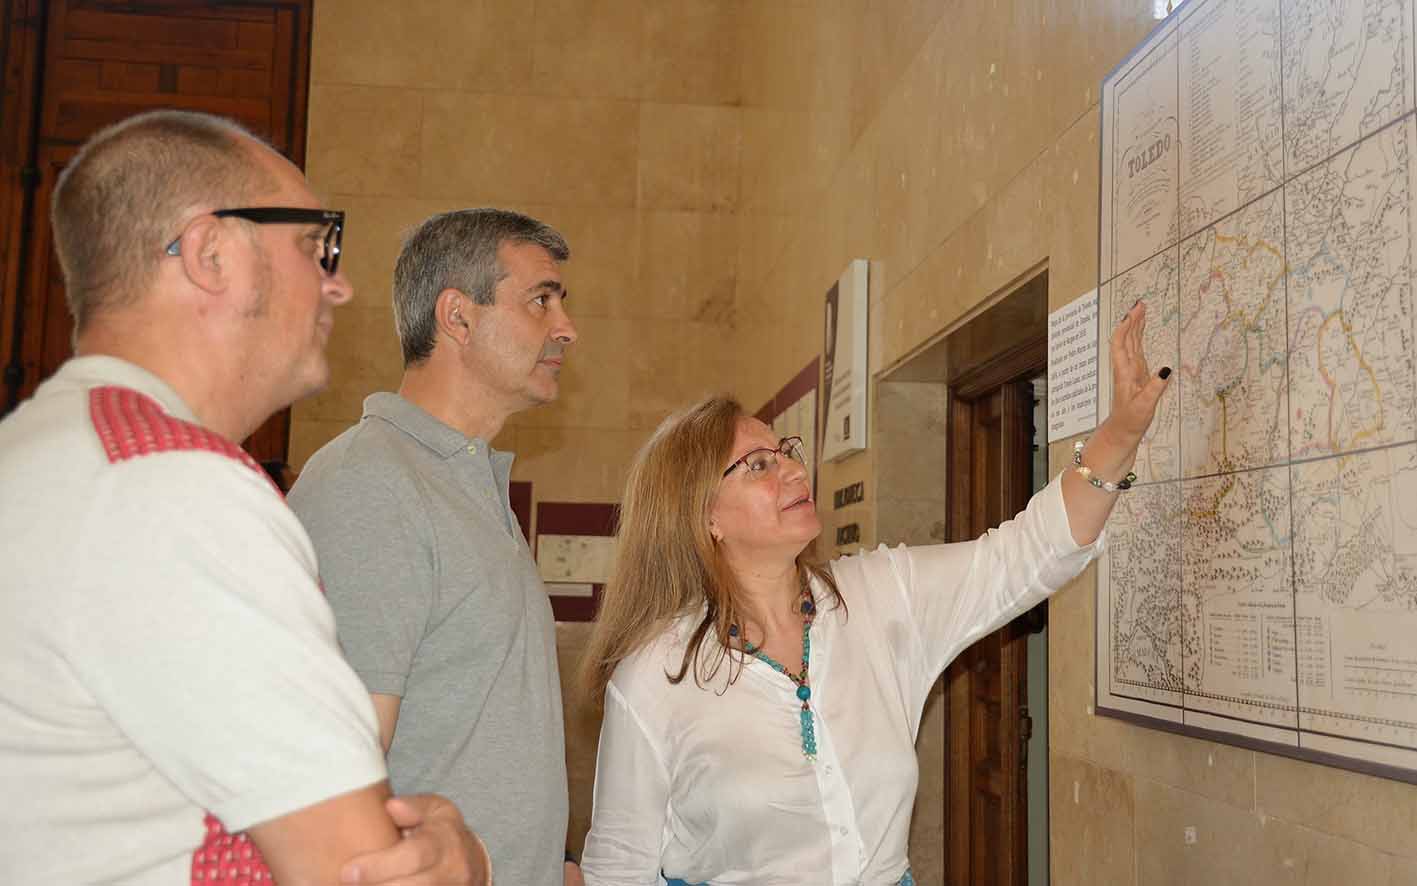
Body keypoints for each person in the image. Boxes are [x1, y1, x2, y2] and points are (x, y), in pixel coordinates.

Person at [0, 110, 489, 886]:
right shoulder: (173, 485)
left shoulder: (39, 453)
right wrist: (464, 863)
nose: (338, 283)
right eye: (313, 243)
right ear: (211, 251)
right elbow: (358, 872)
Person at [578, 304, 1172, 884]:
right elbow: (618, 868)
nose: (791, 470)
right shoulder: (656, 675)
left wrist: (1119, 434)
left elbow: (1021, 557)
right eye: (757, 466)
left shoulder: (880, 596)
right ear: (704, 516)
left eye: (786, 452)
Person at [288, 208, 583, 886]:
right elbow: (334, 778)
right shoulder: (371, 485)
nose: (566, 328)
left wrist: (552, 862)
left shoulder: (464, 483)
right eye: (541, 299)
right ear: (457, 317)